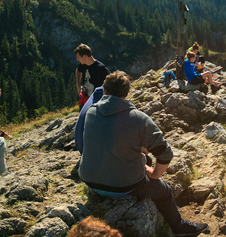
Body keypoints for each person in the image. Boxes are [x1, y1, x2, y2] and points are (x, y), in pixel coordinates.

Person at [77, 72, 208, 236]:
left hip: (90, 181)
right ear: (126, 93)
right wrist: (154, 175)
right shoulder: (138, 118)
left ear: (104, 91)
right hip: (123, 187)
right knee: (165, 191)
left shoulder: (91, 112)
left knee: (144, 157)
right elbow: (165, 154)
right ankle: (179, 227)